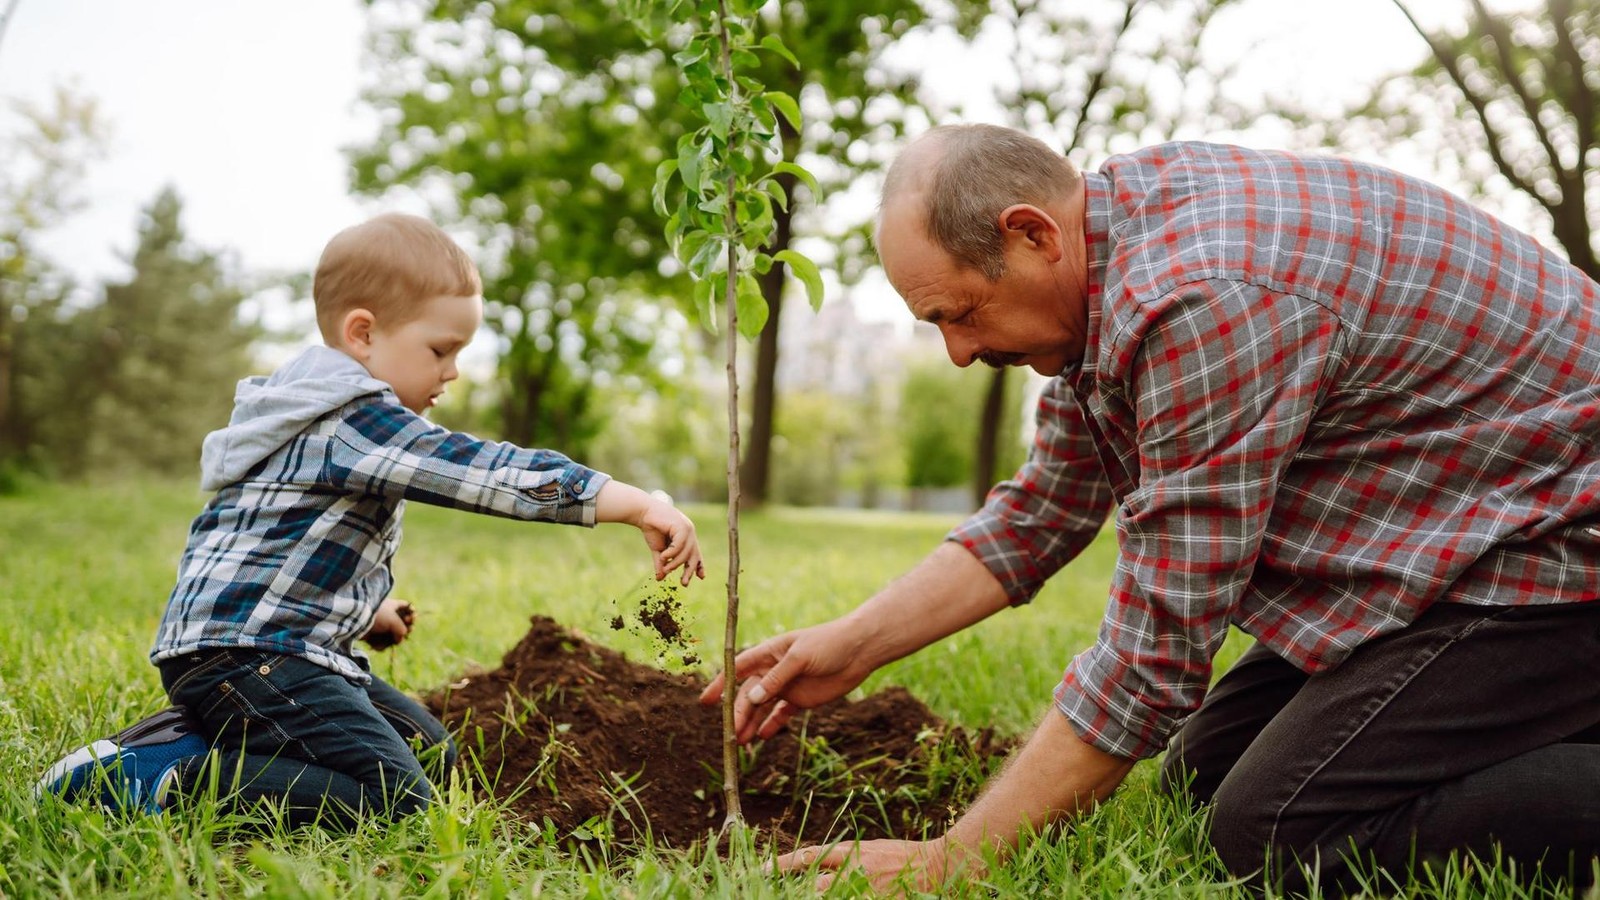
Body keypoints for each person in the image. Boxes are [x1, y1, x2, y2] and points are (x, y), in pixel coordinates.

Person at [702, 124, 1600, 894]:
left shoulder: (1200, 296)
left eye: (962, 314)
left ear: (1031, 235)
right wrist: (849, 647)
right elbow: (1041, 514)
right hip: (1457, 535)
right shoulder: (1110, 254)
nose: (959, 354)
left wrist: (954, 859)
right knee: (1193, 786)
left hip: (1554, 547)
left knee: (1273, 832)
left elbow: (1157, 650)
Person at [37, 213, 705, 828]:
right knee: (398, 801)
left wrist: (365, 609)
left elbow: (269, 544)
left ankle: (216, 736)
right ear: (363, 333)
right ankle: (154, 776)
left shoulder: (318, 412)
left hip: (276, 649)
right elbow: (483, 471)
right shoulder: (356, 419)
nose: (453, 372)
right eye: (441, 350)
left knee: (431, 756)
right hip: (247, 659)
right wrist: (634, 501)